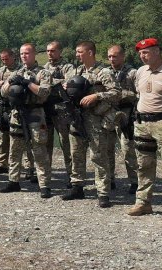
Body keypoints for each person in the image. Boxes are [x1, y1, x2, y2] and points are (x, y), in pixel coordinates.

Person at [61, 41, 120, 208]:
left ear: (90, 53)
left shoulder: (104, 72)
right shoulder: (76, 71)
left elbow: (116, 93)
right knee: (76, 152)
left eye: (80, 52)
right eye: (77, 52)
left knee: (98, 155)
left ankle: (103, 193)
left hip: (95, 118)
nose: (77, 55)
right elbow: (66, 87)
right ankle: (77, 186)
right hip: (77, 116)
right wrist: (66, 87)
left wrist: (97, 96)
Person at [0, 43, 54, 198]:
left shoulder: (43, 73)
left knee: (39, 150)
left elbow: (44, 93)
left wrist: (28, 83)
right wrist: (10, 82)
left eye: (27, 53)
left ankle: (44, 185)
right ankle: (13, 181)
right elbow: (2, 93)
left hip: (35, 112)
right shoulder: (16, 72)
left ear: (34, 54)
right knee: (15, 150)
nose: (24, 56)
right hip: (17, 113)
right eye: (22, 54)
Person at [127, 38, 162, 216]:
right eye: (140, 53)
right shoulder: (141, 71)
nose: (142, 56)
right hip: (142, 123)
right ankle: (143, 203)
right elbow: (138, 94)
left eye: (146, 52)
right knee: (143, 164)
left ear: (157, 51)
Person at [106, 44, 139, 194]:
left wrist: (121, 94)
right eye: (109, 56)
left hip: (127, 113)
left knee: (128, 149)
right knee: (107, 148)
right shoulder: (105, 73)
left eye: (115, 56)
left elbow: (139, 94)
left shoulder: (132, 73)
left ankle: (134, 181)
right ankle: (110, 179)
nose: (112, 59)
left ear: (123, 56)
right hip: (108, 112)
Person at [43, 41, 74, 186]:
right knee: (45, 143)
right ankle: (45, 175)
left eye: (53, 51)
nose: (50, 53)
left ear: (60, 52)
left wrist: (49, 82)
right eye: (48, 51)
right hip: (46, 108)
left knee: (65, 142)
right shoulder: (44, 67)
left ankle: (71, 175)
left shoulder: (67, 67)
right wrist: (55, 82)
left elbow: (69, 83)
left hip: (62, 109)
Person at [0, 49, 18, 174]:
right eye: (2, 59)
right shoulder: (0, 71)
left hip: (16, 105)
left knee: (18, 136)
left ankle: (26, 166)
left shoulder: (20, 70)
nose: (4, 61)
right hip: (3, 105)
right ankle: (2, 163)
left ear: (13, 57)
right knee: (3, 136)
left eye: (6, 59)